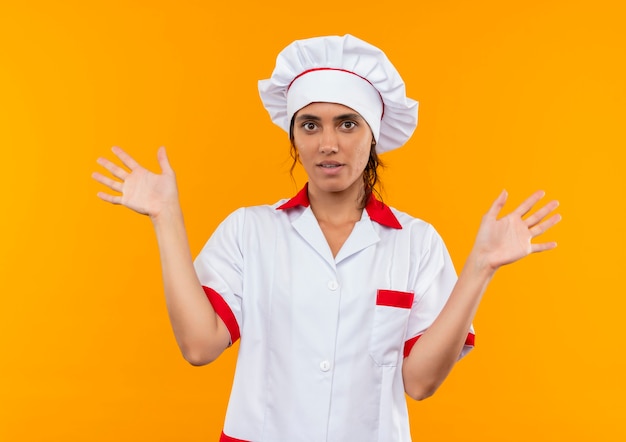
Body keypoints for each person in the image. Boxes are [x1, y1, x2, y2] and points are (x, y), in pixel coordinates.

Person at [92, 34, 560, 442]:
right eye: (310, 125)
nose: (327, 143)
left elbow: (419, 383)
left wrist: (480, 267)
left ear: (373, 135)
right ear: (293, 135)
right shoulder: (250, 230)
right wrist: (165, 216)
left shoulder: (416, 242)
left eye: (347, 123)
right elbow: (199, 346)